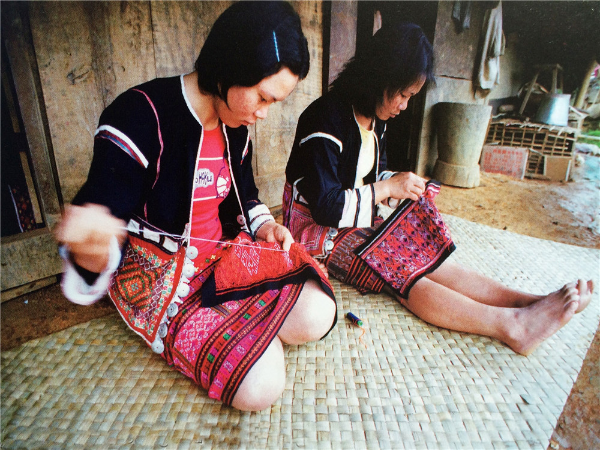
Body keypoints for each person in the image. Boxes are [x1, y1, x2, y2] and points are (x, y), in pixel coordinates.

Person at [55, 1, 336, 411]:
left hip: (224, 255)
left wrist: (263, 227)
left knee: (318, 312)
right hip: (167, 276)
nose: (263, 113)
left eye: (273, 102)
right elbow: (105, 208)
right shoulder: (140, 114)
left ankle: (244, 329)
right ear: (231, 67)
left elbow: (244, 192)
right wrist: (92, 247)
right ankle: (245, 331)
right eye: (262, 97)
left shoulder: (236, 126)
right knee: (262, 387)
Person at [283, 23, 593, 357]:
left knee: (425, 257)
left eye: (410, 97)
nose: (404, 105)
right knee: (399, 270)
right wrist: (387, 186)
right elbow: (326, 206)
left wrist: (403, 184)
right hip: (314, 229)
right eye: (403, 94)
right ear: (378, 78)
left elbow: (370, 175)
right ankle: (513, 326)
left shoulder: (375, 118)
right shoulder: (325, 119)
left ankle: (525, 302)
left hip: (355, 217)